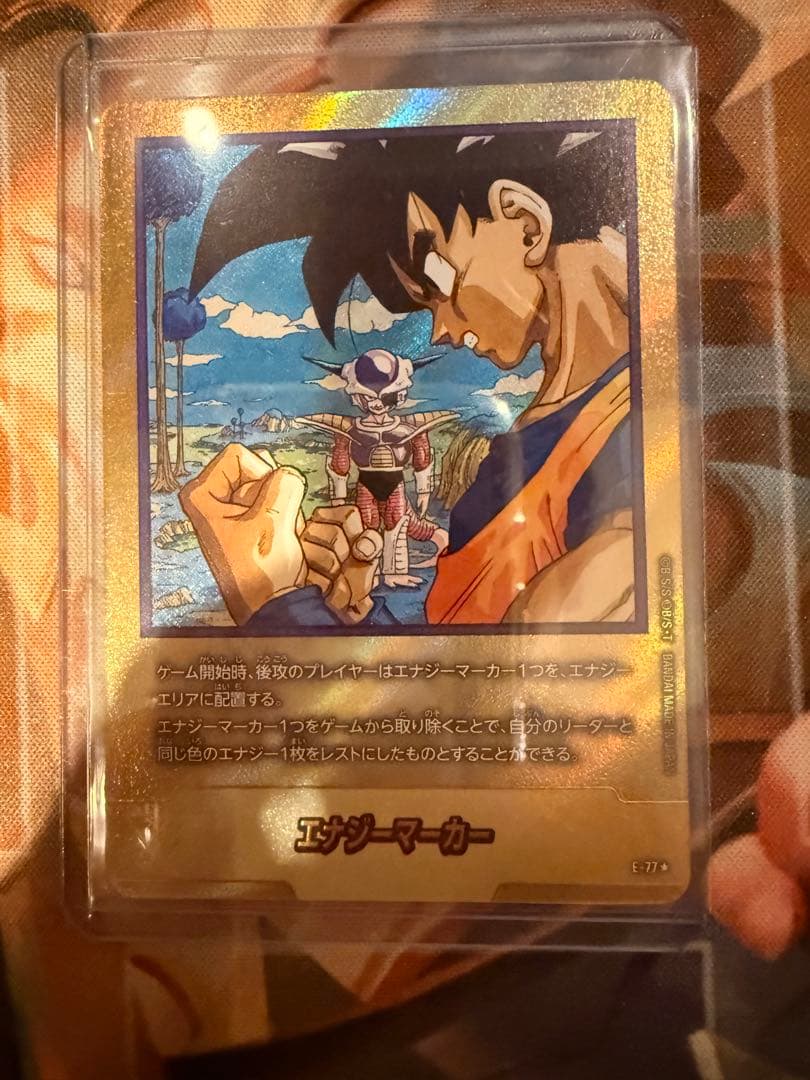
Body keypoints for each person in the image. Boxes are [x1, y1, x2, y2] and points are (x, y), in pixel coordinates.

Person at [182, 128, 635, 628]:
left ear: (526, 224)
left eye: (438, 278)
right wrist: (346, 621)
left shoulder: (637, 444)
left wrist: (277, 603)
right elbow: (464, 648)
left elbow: (523, 674)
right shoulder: (558, 426)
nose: (440, 331)